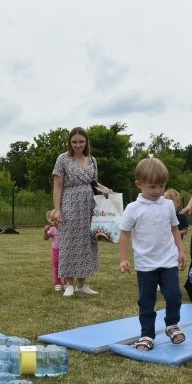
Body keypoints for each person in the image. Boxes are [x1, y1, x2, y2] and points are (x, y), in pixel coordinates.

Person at [118, 158, 187, 351]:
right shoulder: (133, 208)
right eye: (152, 186)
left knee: (174, 295)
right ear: (139, 184)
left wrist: (180, 251)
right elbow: (124, 234)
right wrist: (123, 258)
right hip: (146, 264)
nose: (157, 191)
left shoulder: (167, 206)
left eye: (161, 186)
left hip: (168, 261)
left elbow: (175, 229)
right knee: (147, 301)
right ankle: (147, 334)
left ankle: (172, 325)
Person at [51, 127, 112, 297]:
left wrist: (105, 190)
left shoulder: (92, 159)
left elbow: (94, 183)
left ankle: (82, 284)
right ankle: (69, 284)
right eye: (74, 142)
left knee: (88, 242)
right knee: (69, 242)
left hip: (89, 205)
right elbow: (57, 186)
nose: (78, 145)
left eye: (81, 141)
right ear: (70, 142)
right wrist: (57, 209)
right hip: (70, 202)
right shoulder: (63, 159)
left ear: (86, 142)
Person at [42, 210, 63, 291]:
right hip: (55, 251)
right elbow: (45, 238)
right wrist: (45, 231)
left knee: (64, 266)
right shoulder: (52, 229)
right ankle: (57, 283)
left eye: (56, 220)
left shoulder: (65, 228)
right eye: (52, 220)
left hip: (64, 250)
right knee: (56, 266)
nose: (54, 222)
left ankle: (66, 282)